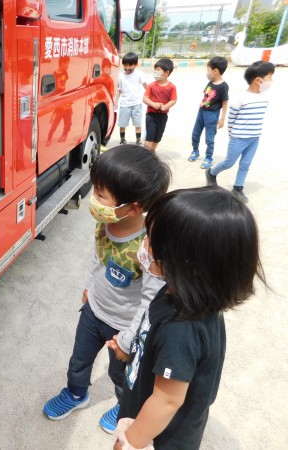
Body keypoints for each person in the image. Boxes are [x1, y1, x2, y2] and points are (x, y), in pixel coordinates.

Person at [107, 187, 264, 450]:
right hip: (145, 408)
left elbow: (167, 401)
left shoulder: (181, 328)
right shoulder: (184, 295)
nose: (144, 245)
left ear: (186, 262)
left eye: (151, 240)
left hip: (160, 437)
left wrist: (130, 442)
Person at [43, 145, 171, 435]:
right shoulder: (106, 223)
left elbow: (151, 300)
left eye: (101, 194)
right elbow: (97, 257)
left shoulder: (147, 247)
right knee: (79, 360)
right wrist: (89, 286)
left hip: (124, 326)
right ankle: (76, 394)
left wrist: (129, 337)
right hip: (93, 312)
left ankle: (124, 406)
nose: (94, 199)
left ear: (134, 207)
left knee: (122, 375)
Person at [205, 60, 274, 203]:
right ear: (258, 80)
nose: (271, 81)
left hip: (254, 138)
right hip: (238, 138)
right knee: (229, 162)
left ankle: (238, 188)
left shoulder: (265, 98)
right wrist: (232, 135)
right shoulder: (241, 98)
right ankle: (211, 172)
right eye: (269, 77)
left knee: (245, 164)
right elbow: (232, 119)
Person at [188, 56, 229, 169]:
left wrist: (222, 119)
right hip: (201, 111)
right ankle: (195, 151)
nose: (207, 72)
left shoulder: (223, 86)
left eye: (208, 70)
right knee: (195, 133)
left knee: (209, 138)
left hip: (212, 115)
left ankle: (209, 158)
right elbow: (206, 96)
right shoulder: (210, 82)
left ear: (215, 71)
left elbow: (225, 102)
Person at [143, 58, 177, 152]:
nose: (155, 72)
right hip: (151, 114)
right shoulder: (151, 85)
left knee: (158, 136)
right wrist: (153, 104)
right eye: (155, 70)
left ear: (167, 73)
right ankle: (145, 153)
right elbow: (145, 98)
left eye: (158, 70)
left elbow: (173, 100)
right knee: (150, 134)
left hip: (163, 115)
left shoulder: (171, 87)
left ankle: (152, 152)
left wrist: (165, 107)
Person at [117, 52, 149, 145]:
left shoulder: (139, 74)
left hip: (136, 103)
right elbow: (119, 90)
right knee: (122, 124)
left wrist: (151, 97)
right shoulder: (121, 76)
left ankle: (138, 139)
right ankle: (122, 139)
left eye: (130, 65)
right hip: (124, 104)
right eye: (125, 65)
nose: (127, 68)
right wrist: (115, 102)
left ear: (136, 64)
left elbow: (146, 86)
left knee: (137, 123)